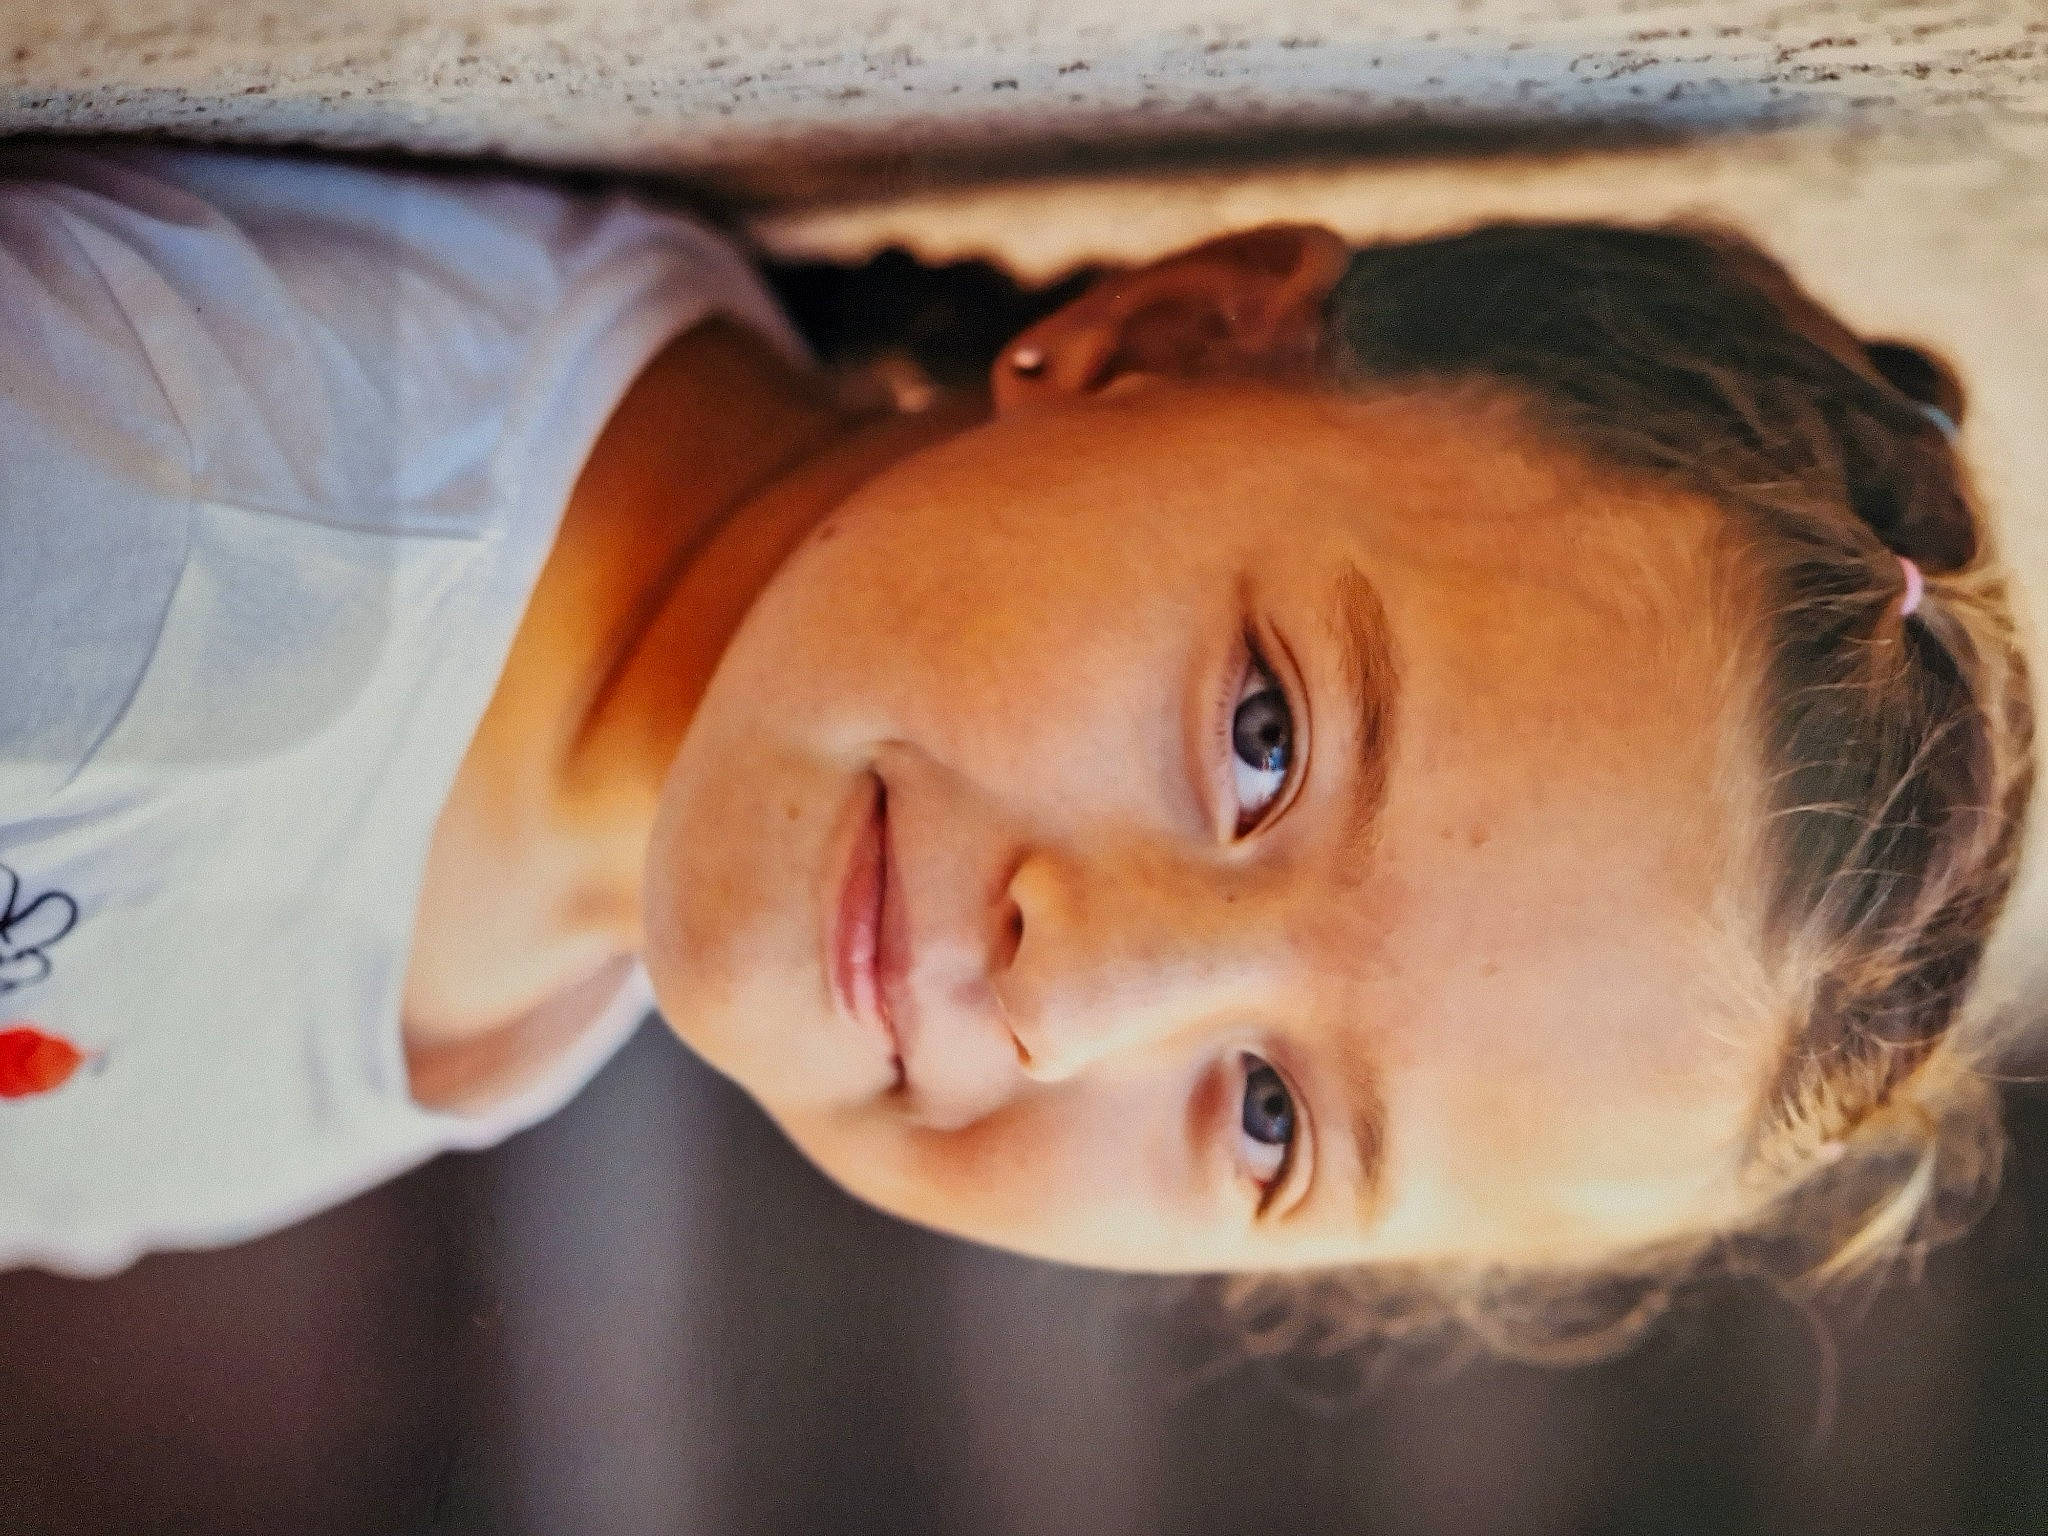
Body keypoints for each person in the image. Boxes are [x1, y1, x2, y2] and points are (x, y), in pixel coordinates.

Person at [0, 145, 2034, 1350]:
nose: (1086, 989)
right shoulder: (174, 521)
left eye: (1266, 1123)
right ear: (1161, 344)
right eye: (1263, 736)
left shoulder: (503, 984)